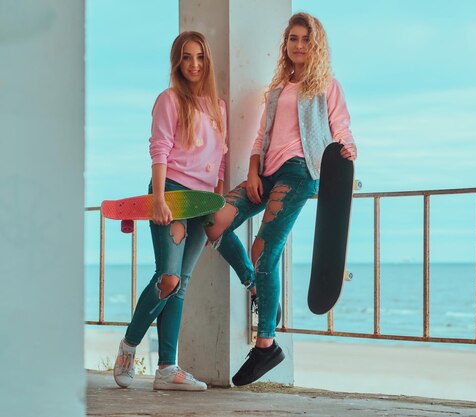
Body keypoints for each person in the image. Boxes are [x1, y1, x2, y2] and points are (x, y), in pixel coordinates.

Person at [205, 12, 357, 386]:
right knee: (213, 222)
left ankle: (265, 343)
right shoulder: (275, 90)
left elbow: (341, 127)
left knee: (263, 252)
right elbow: (260, 138)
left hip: (301, 172)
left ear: (315, 44)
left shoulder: (326, 86)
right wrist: (254, 171)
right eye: (293, 39)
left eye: (305, 39)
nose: (299, 45)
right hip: (268, 173)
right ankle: (253, 282)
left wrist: (348, 152)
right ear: (286, 44)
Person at [113, 31, 227, 391]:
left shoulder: (218, 106)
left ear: (207, 61)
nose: (193, 64)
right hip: (174, 194)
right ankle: (129, 346)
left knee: (183, 284)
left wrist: (217, 206)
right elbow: (159, 149)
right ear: (177, 63)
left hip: (204, 201)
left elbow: (220, 162)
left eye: (199, 57)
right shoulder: (169, 100)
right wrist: (159, 198)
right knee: (169, 277)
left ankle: (167, 369)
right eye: (186, 57)